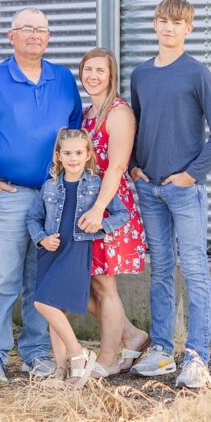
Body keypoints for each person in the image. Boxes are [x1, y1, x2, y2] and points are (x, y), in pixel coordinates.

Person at [0, 8, 83, 385]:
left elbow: (73, 134)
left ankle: (35, 353)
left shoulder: (62, 79)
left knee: (37, 280)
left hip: (50, 196)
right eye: (27, 29)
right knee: (1, 277)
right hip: (5, 194)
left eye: (42, 30)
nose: (35, 36)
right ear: (11, 36)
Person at [128, 0, 211, 389]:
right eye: (162, 20)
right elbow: (139, 124)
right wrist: (136, 167)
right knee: (159, 270)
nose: (168, 27)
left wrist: (191, 175)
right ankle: (160, 350)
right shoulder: (141, 75)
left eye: (177, 22)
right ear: (154, 26)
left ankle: (196, 357)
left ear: (189, 29)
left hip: (184, 192)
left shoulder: (196, 74)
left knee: (193, 268)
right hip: (149, 189)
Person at [27, 129, 131, 388]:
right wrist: (41, 238)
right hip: (50, 250)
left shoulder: (97, 184)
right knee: (55, 310)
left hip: (76, 249)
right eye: (67, 153)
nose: (73, 158)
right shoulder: (50, 185)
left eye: (78, 153)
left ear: (87, 155)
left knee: (43, 303)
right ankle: (64, 370)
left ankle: (78, 354)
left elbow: (122, 214)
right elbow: (33, 217)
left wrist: (99, 225)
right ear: (58, 156)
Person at [75, 47, 149, 377]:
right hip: (86, 205)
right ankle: (132, 334)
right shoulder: (84, 113)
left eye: (100, 70)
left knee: (105, 286)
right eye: (88, 69)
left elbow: (117, 165)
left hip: (108, 207)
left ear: (111, 75)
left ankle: (107, 359)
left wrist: (98, 210)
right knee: (85, 286)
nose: (93, 76)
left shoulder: (118, 113)